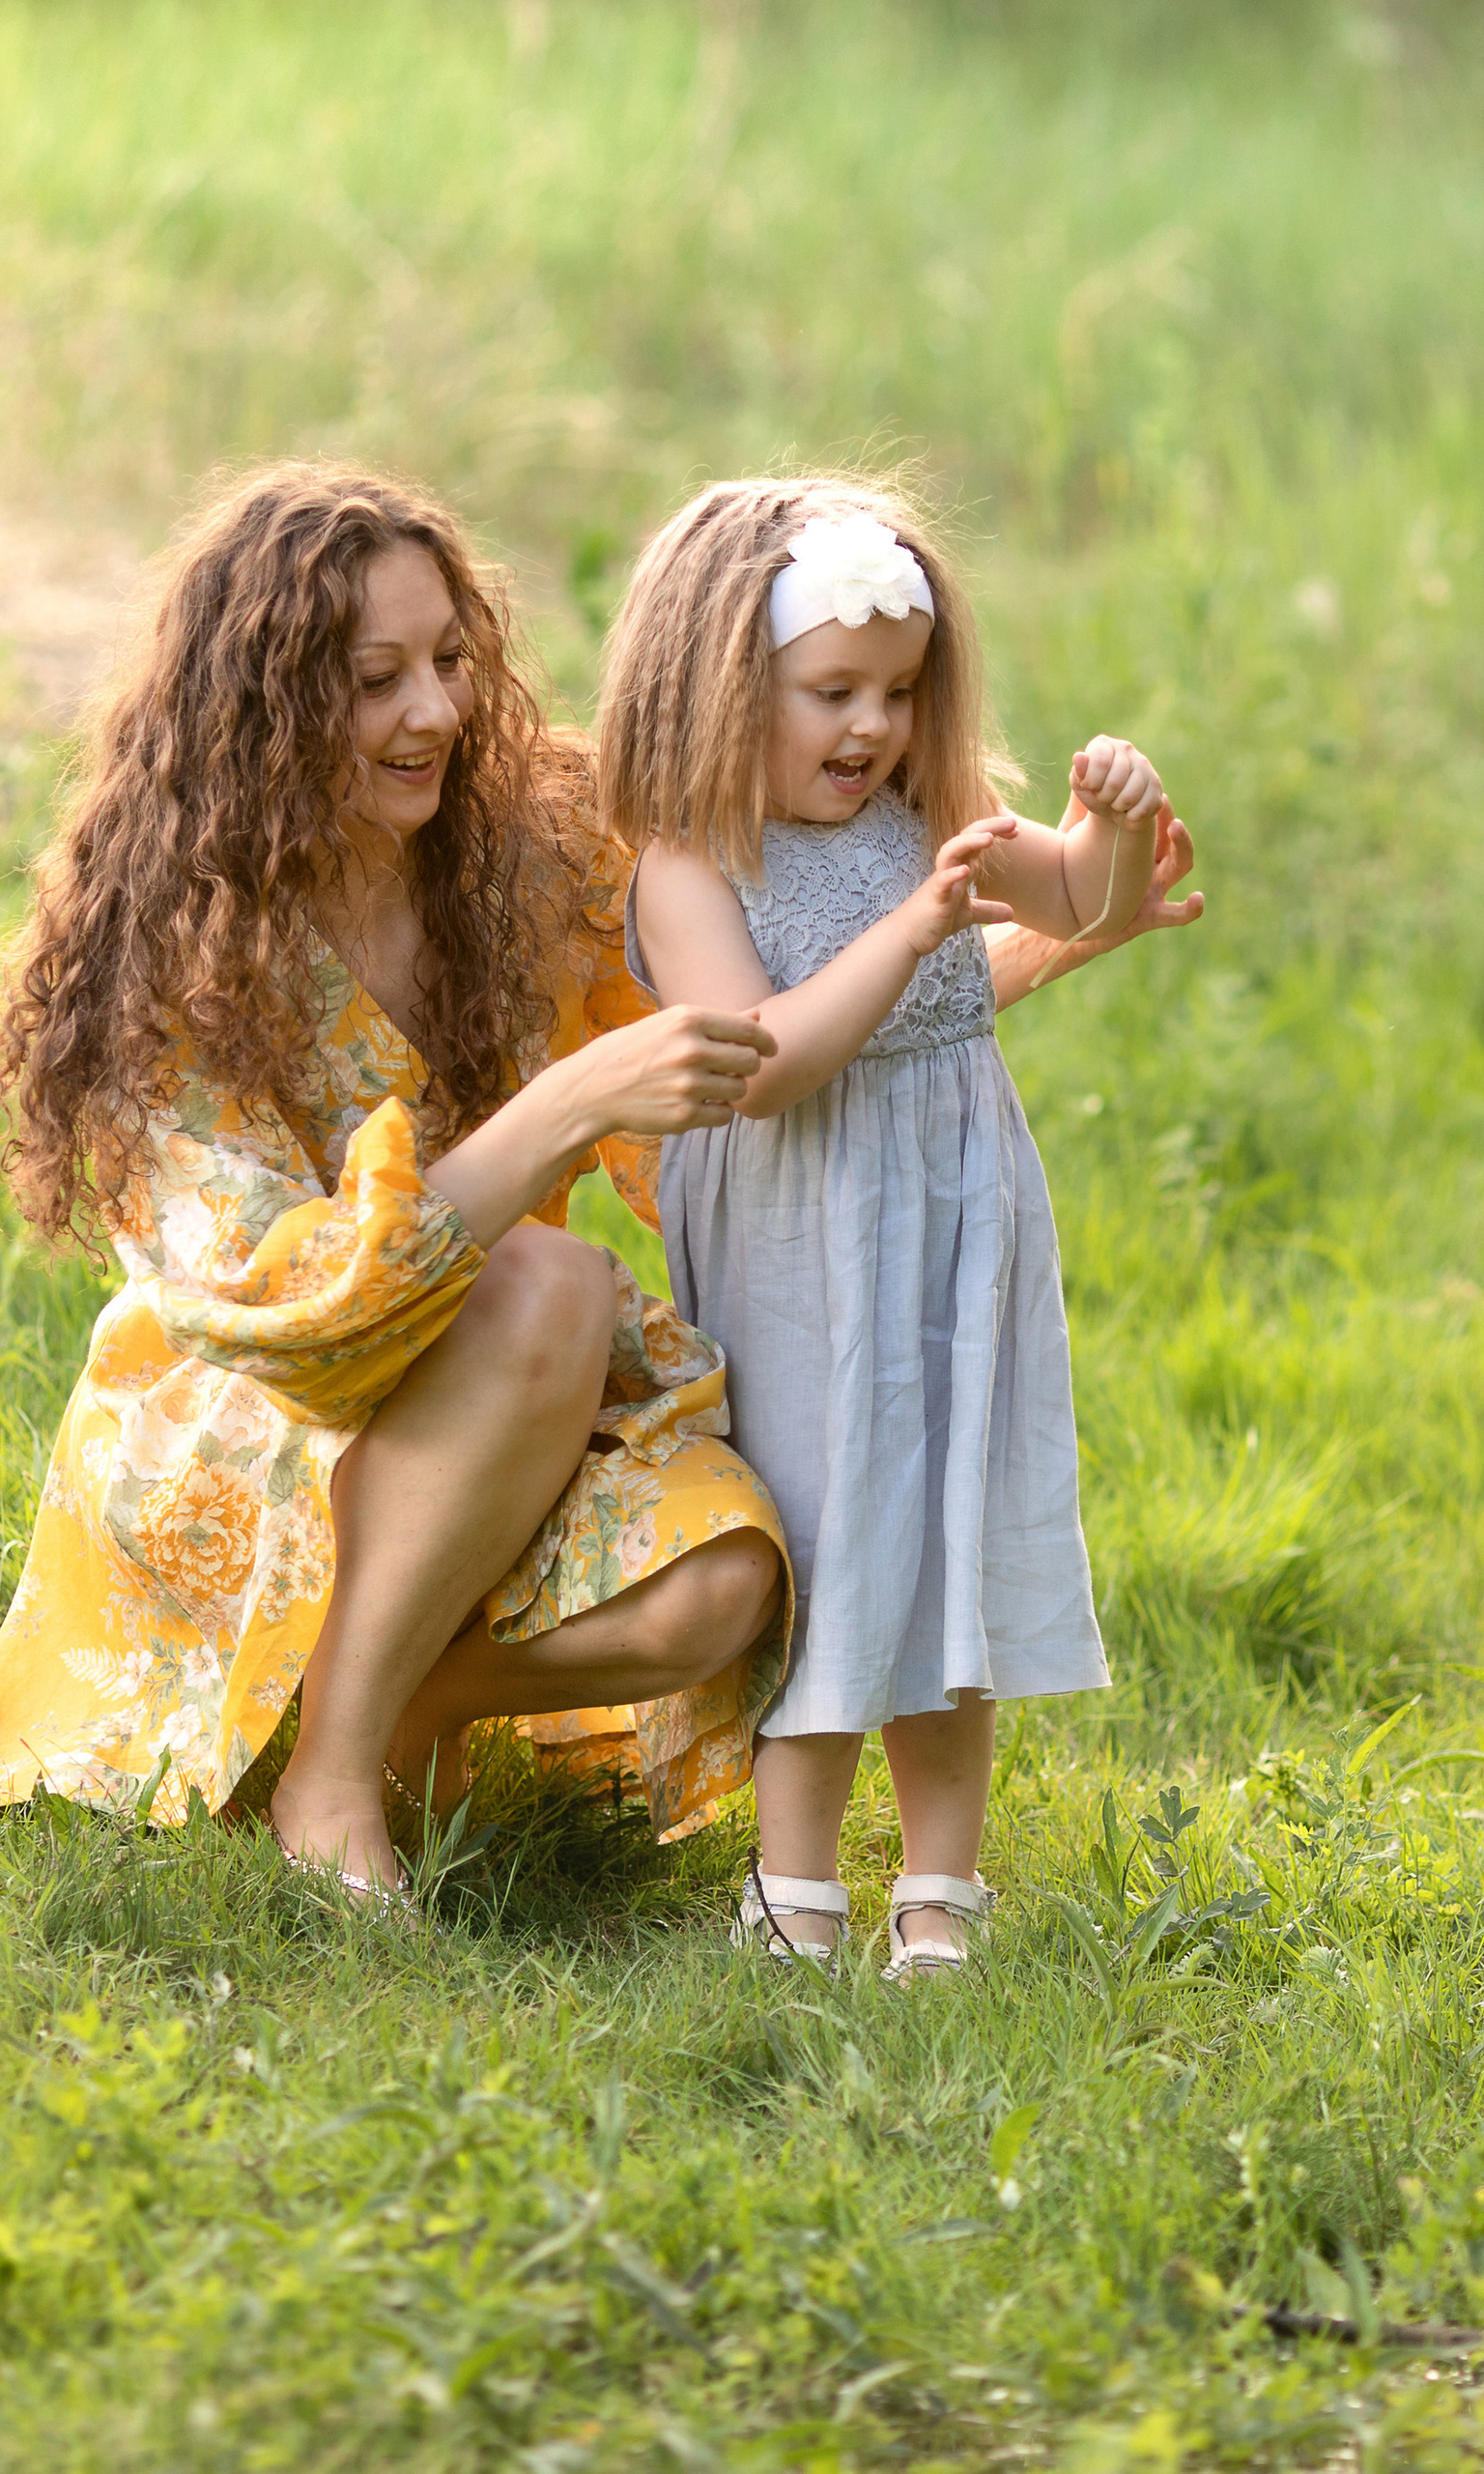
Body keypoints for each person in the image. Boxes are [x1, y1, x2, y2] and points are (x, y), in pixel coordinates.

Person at [0, 463, 1199, 1905]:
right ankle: (332, 1772)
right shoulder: (169, 961)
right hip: (251, 1433)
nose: (435, 713)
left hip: (510, 1392)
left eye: (450, 660)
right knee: (551, 1279)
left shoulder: (526, 844)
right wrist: (566, 1105)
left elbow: (758, 1044)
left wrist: (1045, 942)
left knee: (735, 1580)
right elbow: (292, 1321)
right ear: (264, 708)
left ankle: (414, 1699)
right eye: (374, 680)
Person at [608, 475, 1176, 1978]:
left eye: (901, 693)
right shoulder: (690, 865)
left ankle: (942, 1888)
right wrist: (915, 926)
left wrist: (1101, 830)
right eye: (832, 693)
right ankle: (793, 1883)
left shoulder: (925, 813)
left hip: (951, 1204)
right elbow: (765, 1062)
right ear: (725, 687)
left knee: (945, 1521)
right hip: (798, 1223)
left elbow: (1072, 895)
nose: (871, 727)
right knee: (826, 1519)